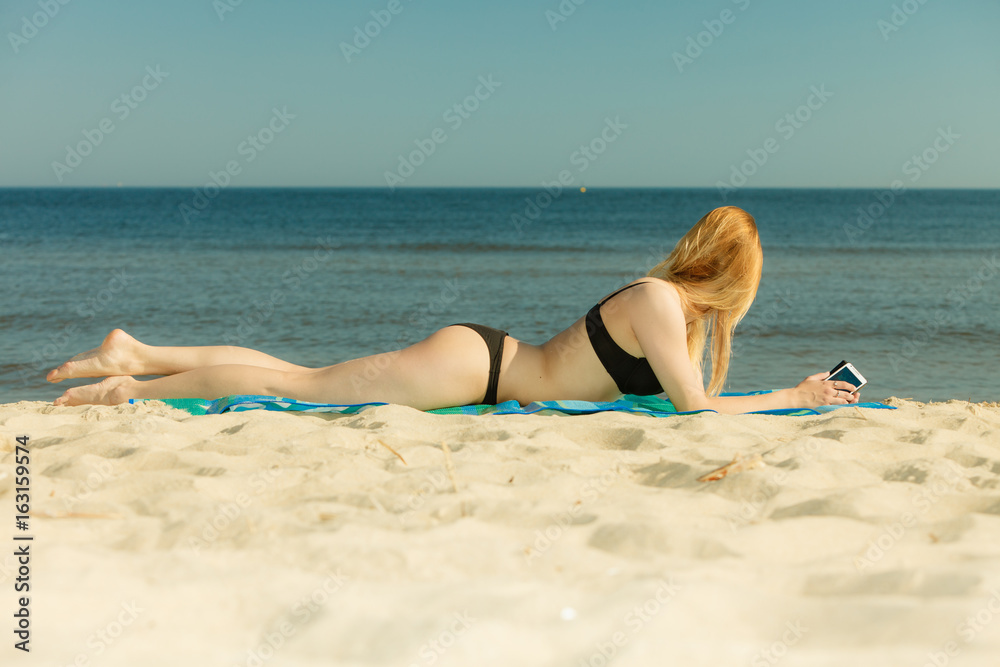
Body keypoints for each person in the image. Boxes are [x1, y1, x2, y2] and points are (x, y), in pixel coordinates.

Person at [48, 206, 859, 413]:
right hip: (479, 368)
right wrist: (794, 396)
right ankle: (135, 385)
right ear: (737, 274)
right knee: (304, 384)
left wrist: (798, 396)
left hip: (486, 367)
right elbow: (698, 412)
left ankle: (139, 352)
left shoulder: (671, 311)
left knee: (308, 377)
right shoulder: (656, 300)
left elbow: (696, 402)